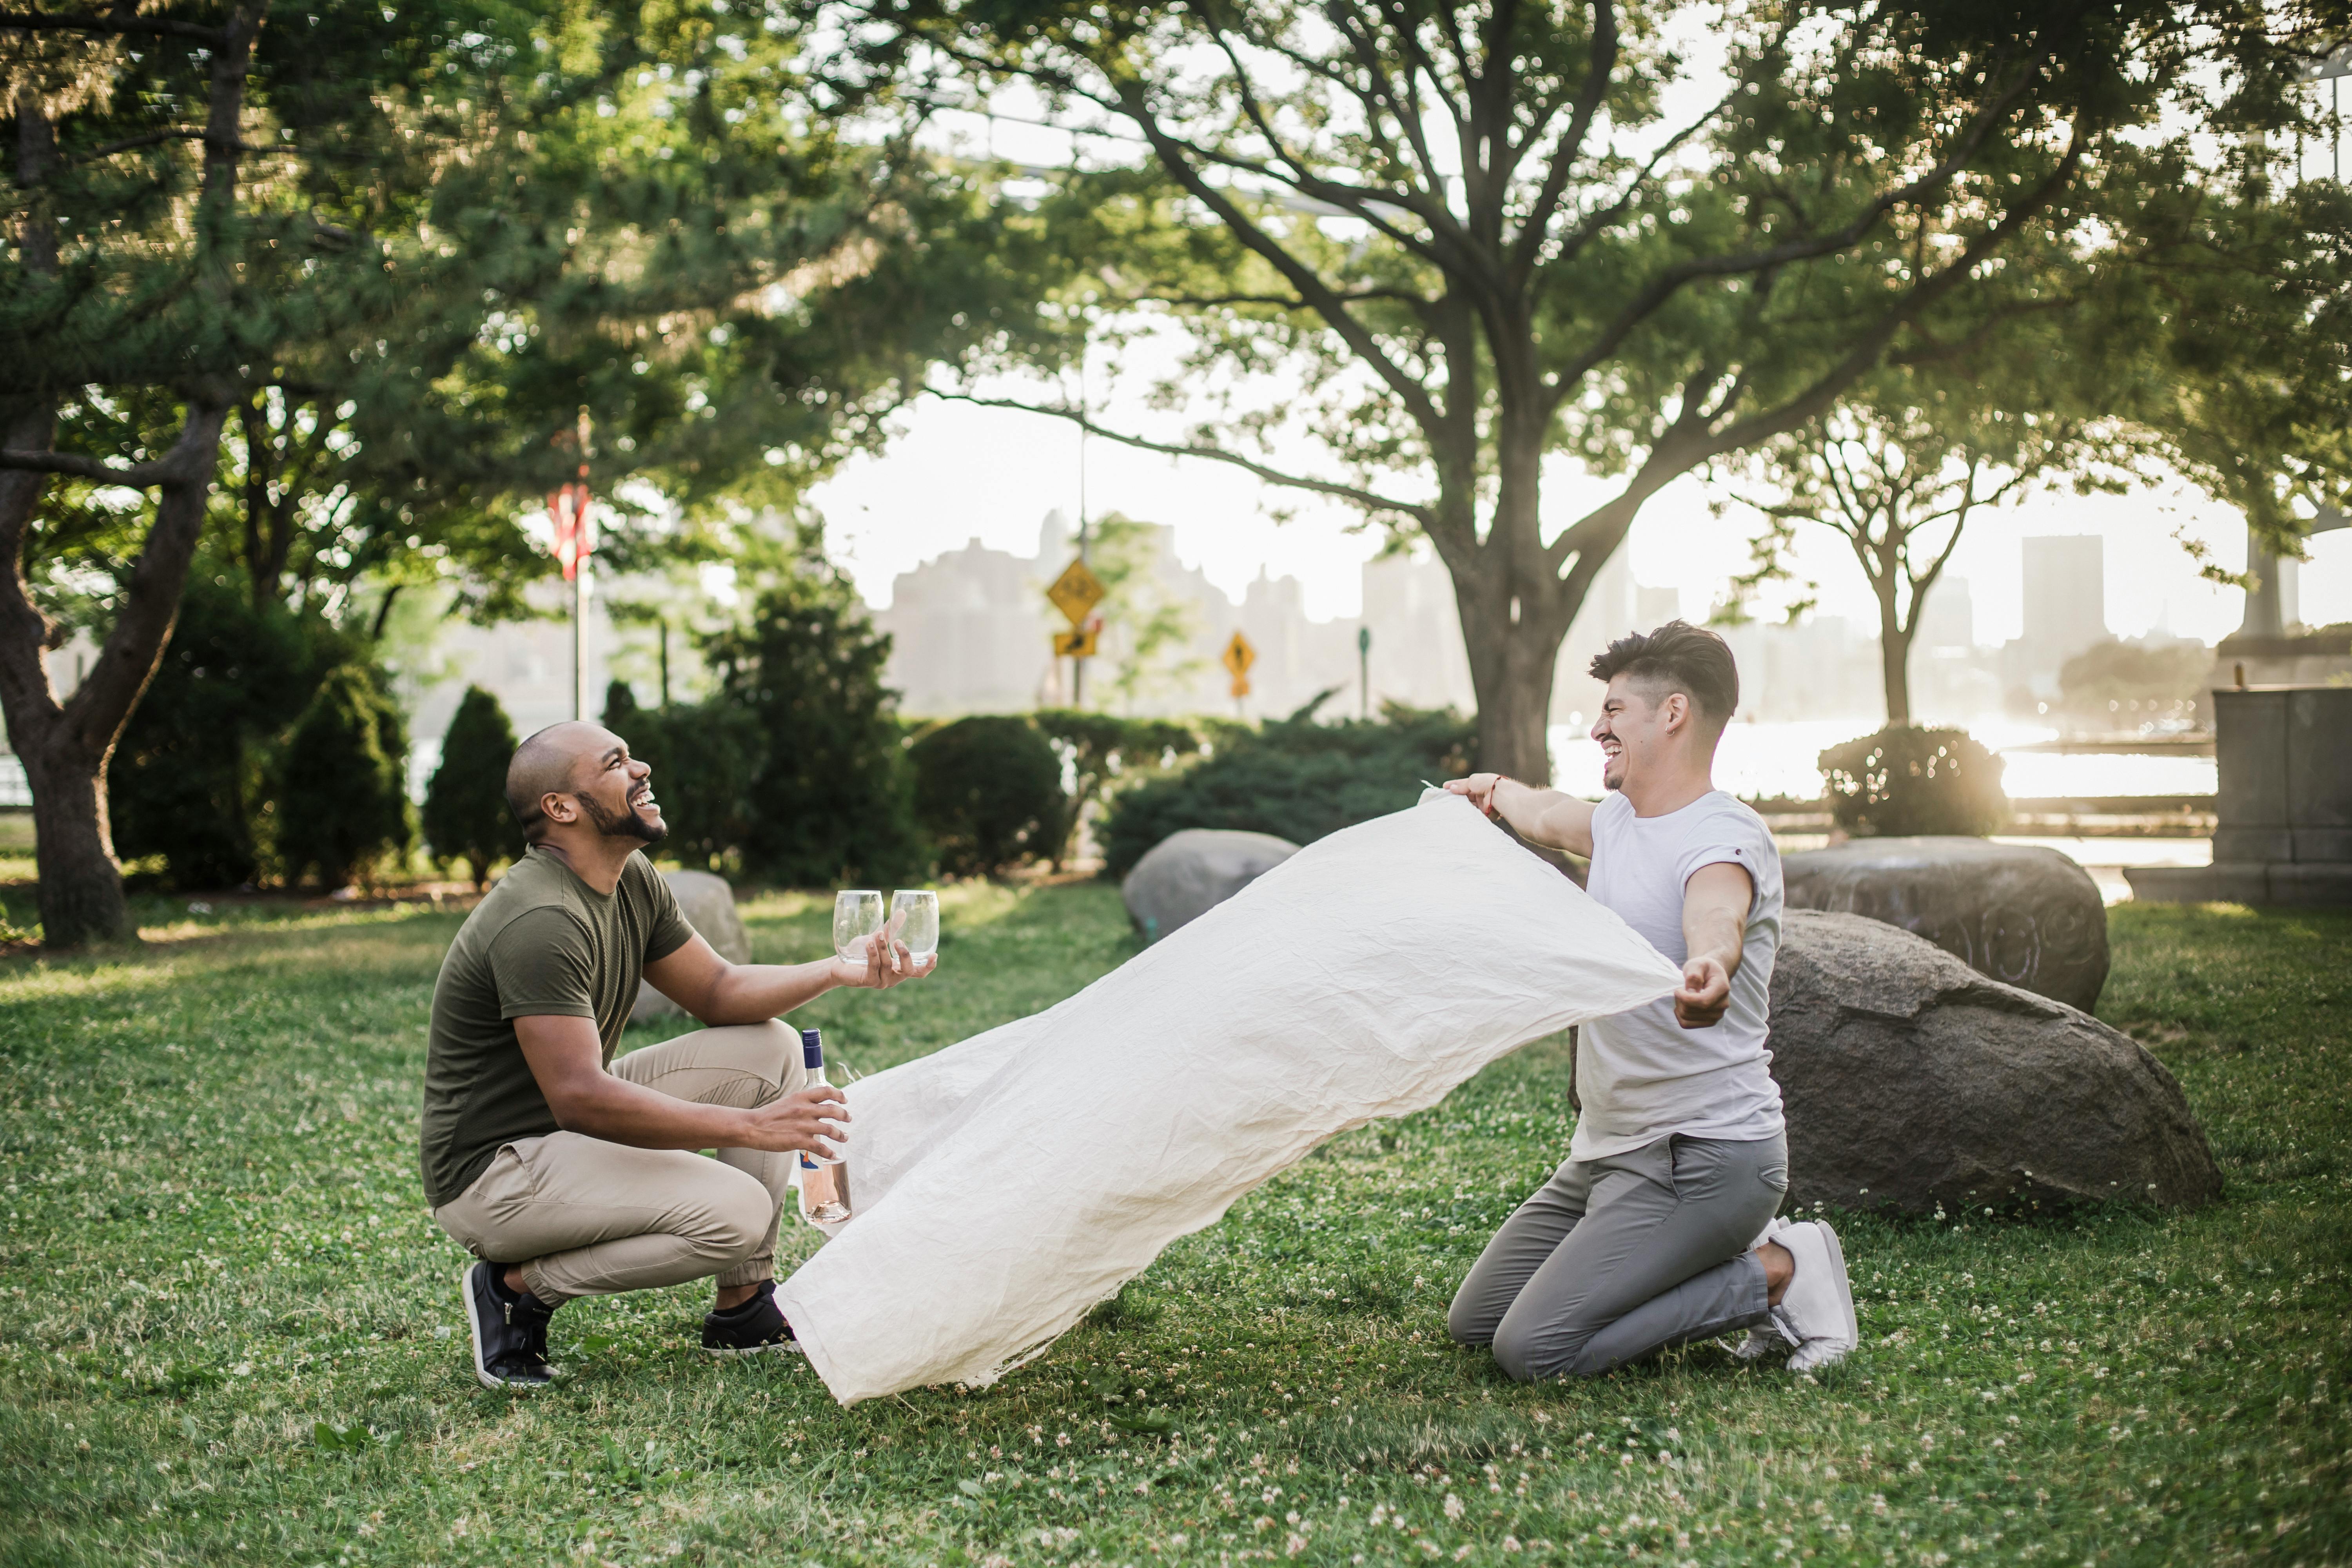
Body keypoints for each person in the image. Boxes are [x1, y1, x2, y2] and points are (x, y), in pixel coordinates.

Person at [418, 720, 932, 1389]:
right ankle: (516, 1288)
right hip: (493, 1172)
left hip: (561, 1126)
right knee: (737, 1213)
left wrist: (841, 970)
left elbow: (718, 991)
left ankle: (743, 1307)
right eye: (616, 763)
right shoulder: (540, 919)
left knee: (768, 1046)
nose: (642, 769)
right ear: (561, 808)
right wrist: (752, 1128)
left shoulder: (629, 878)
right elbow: (581, 1096)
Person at [1442, 621, 1856, 1379]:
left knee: (1533, 1349)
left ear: (1672, 714)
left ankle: (1778, 1274)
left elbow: (1716, 914)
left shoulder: (1722, 835)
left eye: (1614, 712)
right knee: (1477, 1323)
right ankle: (1701, 1260)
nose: (1598, 727)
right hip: (1609, 1152)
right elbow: (1545, 814)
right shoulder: (1618, 823)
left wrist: (1711, 966)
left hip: (1703, 1157)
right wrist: (1491, 792)